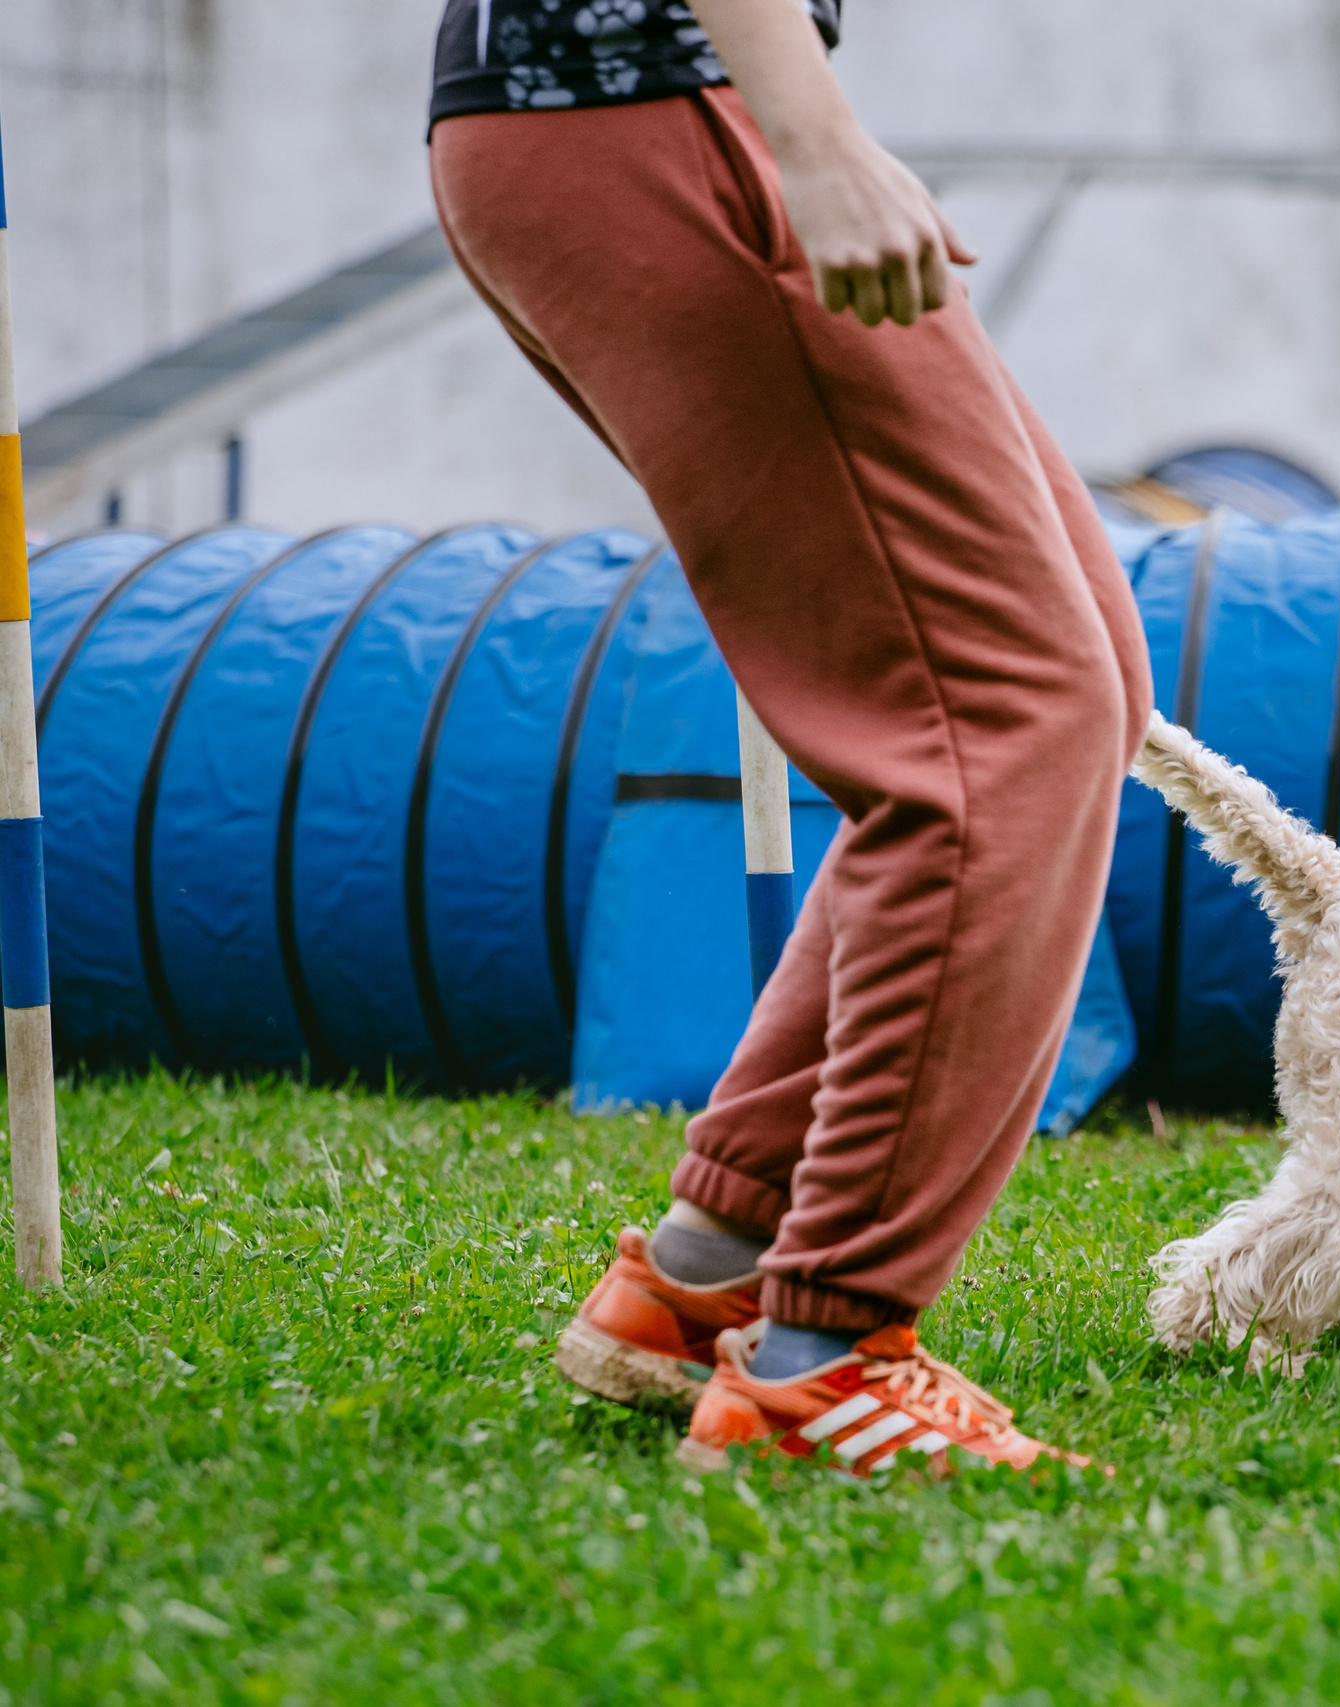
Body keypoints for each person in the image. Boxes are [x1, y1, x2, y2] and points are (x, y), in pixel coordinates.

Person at [428, 0, 1151, 1476]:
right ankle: (824, 1357)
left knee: (1083, 682)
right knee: (1000, 728)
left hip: (626, 114)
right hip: (659, 109)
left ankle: (707, 1272)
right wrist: (807, 137)